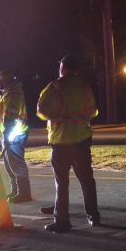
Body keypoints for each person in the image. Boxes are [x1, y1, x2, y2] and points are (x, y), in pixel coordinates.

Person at [36, 54, 101, 233]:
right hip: (81, 140)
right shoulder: (85, 88)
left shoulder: (54, 87)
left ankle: (62, 220)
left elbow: (40, 110)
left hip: (61, 141)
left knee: (62, 183)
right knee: (87, 180)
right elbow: (93, 111)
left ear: (63, 68)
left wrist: (57, 116)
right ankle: (93, 216)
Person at [0, 70, 31, 203]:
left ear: (5, 80)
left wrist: (6, 132)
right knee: (10, 165)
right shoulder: (8, 93)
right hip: (9, 133)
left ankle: (24, 193)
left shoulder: (14, 93)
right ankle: (16, 190)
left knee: (16, 164)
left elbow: (11, 114)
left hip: (14, 134)